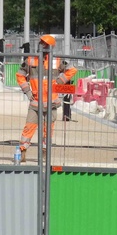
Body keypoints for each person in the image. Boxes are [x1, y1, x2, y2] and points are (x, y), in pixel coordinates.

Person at [15, 34, 77, 163]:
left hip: (51, 102)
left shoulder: (57, 60)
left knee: (48, 129)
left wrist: (60, 81)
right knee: (29, 128)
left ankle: (44, 153)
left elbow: (72, 70)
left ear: (50, 47)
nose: (42, 46)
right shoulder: (31, 60)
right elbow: (20, 75)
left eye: (45, 44)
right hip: (36, 102)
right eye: (41, 43)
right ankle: (22, 151)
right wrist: (27, 90)